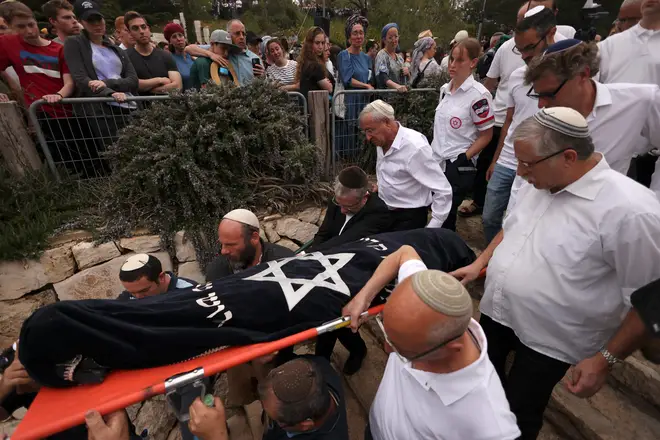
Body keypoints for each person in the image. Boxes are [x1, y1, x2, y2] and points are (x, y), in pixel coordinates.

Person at [451, 107, 660, 439]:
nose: (519, 173)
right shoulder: (545, 178)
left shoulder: (632, 212)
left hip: (551, 340)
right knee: (482, 391)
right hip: (499, 313)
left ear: (569, 156)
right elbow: (513, 227)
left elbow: (649, 300)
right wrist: (480, 263)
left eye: (526, 164)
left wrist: (605, 359)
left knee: (519, 415)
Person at [342, 247, 520, 440]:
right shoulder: (423, 298)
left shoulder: (490, 425)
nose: (387, 348)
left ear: (452, 348)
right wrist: (364, 297)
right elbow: (405, 253)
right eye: (387, 334)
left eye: (402, 352)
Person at [84, 356, 350, 440]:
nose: (267, 417)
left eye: (275, 419)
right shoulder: (318, 369)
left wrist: (218, 437)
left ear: (304, 425)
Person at [482, 6, 561, 244]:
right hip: (507, 159)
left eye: (529, 48)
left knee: (519, 221)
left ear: (550, 34)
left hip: (537, 162)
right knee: (489, 217)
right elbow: (509, 121)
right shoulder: (517, 76)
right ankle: (491, 259)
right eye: (520, 49)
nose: (525, 55)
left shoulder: (563, 78)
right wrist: (496, 159)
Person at [310, 166, 391, 374]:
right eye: (339, 204)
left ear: (364, 197)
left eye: (348, 207)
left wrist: (312, 257)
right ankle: (328, 358)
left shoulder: (378, 212)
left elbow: (346, 242)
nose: (342, 210)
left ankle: (333, 358)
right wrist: (308, 255)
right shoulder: (338, 202)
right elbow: (324, 233)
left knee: (334, 313)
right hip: (329, 264)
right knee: (328, 313)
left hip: (358, 270)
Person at [430, 38, 494, 232]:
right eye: (451, 59)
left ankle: (447, 254)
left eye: (459, 60)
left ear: (473, 63)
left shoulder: (479, 96)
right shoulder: (445, 90)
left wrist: (463, 158)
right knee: (436, 210)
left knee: (447, 216)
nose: (452, 65)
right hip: (436, 161)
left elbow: (487, 134)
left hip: (456, 165)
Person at [359, 100, 452, 230]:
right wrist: (382, 186)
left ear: (386, 123)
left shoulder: (415, 148)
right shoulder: (381, 141)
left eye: (370, 130)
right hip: (384, 210)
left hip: (409, 217)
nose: (368, 137)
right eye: (365, 131)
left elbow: (442, 189)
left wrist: (433, 227)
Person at [598, 0, 659, 187]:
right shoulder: (608, 47)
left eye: (627, 20)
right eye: (620, 19)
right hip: (614, 154)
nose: (620, 25)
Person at [206, 209, 294, 281]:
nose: (223, 251)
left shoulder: (286, 263)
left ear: (254, 238)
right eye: (222, 244)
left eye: (231, 245)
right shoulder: (216, 271)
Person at [335, 15, 372, 156]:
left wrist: (369, 86)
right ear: (349, 36)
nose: (358, 36)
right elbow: (347, 79)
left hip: (363, 100)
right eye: (355, 33)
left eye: (361, 32)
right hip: (349, 100)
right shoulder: (344, 55)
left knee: (363, 130)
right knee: (349, 130)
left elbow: (369, 77)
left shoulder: (367, 58)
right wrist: (366, 86)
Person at [125, 11, 181, 95]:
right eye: (135, 28)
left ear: (148, 29)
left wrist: (149, 89)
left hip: (169, 107)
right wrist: (159, 80)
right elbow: (131, 84)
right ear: (129, 33)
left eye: (143, 27)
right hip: (140, 107)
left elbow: (177, 86)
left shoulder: (165, 55)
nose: (141, 31)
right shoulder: (125, 56)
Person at [118, 253, 197, 300]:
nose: (138, 297)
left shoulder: (190, 293)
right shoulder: (126, 297)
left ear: (161, 277)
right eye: (132, 293)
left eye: (144, 291)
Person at [295, 26, 333, 100]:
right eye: (317, 43)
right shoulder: (314, 65)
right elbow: (330, 88)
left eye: (322, 43)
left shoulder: (306, 61)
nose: (321, 47)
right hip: (314, 106)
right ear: (310, 43)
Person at [226, 19, 264, 86]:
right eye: (237, 33)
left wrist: (263, 77)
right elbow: (201, 48)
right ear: (228, 35)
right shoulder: (223, 53)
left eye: (243, 34)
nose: (241, 37)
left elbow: (264, 87)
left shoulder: (255, 58)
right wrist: (210, 54)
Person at [374, 23, 408, 90]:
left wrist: (407, 73)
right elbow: (383, 77)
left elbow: (406, 80)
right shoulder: (381, 55)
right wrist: (397, 87)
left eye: (396, 36)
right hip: (385, 98)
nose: (394, 40)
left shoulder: (400, 58)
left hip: (399, 97)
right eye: (390, 38)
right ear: (384, 40)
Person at [164, 22, 194, 91]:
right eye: (174, 37)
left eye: (180, 35)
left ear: (184, 37)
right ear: (170, 41)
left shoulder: (194, 55)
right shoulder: (170, 59)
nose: (178, 39)